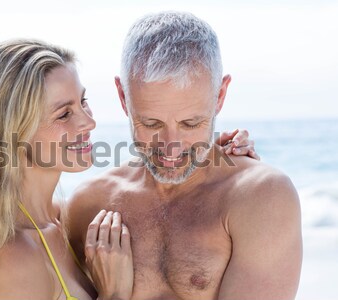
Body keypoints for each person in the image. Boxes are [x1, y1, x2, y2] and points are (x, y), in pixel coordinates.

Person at [0, 40, 257, 300]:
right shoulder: (13, 258)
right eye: (64, 114)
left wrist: (215, 158)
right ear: (13, 131)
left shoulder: (61, 220)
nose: (89, 121)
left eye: (82, 102)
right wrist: (112, 295)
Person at [67, 12, 302, 300]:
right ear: (123, 97)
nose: (171, 147)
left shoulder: (259, 198)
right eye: (151, 124)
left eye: (191, 124)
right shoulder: (87, 205)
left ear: (220, 95)